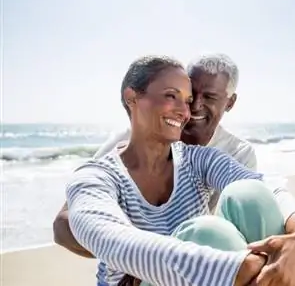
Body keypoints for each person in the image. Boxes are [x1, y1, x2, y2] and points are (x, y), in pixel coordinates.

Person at [64, 55, 295, 286]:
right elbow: (108, 237)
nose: (187, 110)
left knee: (250, 193)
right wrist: (234, 268)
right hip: (144, 279)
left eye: (187, 100)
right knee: (210, 234)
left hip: (208, 272)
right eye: (172, 96)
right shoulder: (96, 175)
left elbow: (263, 184)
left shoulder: (198, 159)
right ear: (132, 98)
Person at [53, 53, 256, 257]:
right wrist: (132, 258)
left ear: (230, 103)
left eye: (210, 97)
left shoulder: (235, 154)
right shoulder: (127, 143)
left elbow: (237, 236)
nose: (193, 107)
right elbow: (63, 224)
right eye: (191, 95)